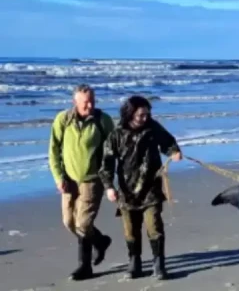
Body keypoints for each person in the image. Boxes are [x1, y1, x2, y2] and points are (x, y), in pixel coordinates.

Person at [99, 95, 182, 280]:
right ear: (130, 114)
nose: (145, 118)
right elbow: (107, 162)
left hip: (151, 187)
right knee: (130, 230)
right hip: (126, 191)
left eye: (147, 114)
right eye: (141, 115)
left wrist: (174, 151)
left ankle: (159, 264)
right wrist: (108, 187)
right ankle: (134, 263)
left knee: (154, 226)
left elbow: (167, 142)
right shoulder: (117, 134)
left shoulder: (152, 128)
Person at [48, 84, 115, 281]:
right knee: (69, 222)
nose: (90, 105)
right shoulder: (63, 119)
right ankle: (100, 241)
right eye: (86, 102)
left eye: (93, 101)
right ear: (74, 102)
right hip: (69, 181)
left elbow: (112, 151)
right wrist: (58, 177)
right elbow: (53, 151)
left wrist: (109, 180)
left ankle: (84, 267)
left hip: (92, 180)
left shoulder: (103, 121)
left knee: (83, 224)